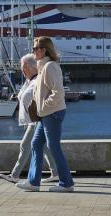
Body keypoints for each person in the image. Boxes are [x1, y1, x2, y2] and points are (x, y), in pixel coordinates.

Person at [16, 36, 74, 192]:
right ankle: (33, 182)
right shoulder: (43, 67)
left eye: (35, 48)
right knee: (36, 144)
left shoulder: (50, 67)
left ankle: (66, 183)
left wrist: (44, 106)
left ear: (43, 50)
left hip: (52, 113)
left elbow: (58, 92)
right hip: (46, 114)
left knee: (54, 147)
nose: (33, 51)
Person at [0, 54, 58, 183]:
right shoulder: (29, 80)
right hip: (32, 120)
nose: (21, 70)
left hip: (36, 119)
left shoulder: (38, 80)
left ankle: (15, 175)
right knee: (44, 147)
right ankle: (56, 172)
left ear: (30, 67)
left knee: (25, 145)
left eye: (23, 67)